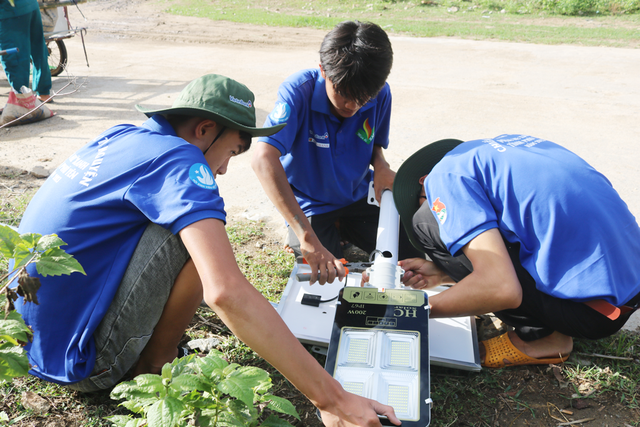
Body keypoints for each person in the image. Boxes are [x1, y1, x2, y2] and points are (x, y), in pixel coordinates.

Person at [13, 74, 400, 426]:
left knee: (187, 226)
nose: (224, 170)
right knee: (198, 236)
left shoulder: (122, 136)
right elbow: (225, 291)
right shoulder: (181, 160)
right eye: (232, 152)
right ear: (204, 129)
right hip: (86, 363)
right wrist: (333, 399)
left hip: (31, 346)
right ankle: (153, 365)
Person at [390, 135, 640, 368]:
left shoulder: (443, 179)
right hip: (625, 293)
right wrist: (444, 272)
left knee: (425, 221)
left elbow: (501, 288)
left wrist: (412, 311)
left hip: (589, 312)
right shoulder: (502, 152)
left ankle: (545, 338)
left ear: (424, 181)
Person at [253, 20, 418, 286]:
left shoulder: (380, 93)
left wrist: (381, 164)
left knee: (413, 254)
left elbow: (373, 141)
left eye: (363, 98)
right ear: (322, 70)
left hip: (356, 197)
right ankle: (299, 233)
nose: (353, 105)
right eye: (344, 93)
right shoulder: (298, 91)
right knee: (331, 277)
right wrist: (306, 236)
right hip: (310, 204)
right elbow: (263, 157)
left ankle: (341, 226)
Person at [0, 0, 53, 102]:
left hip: (11, 11)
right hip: (31, 5)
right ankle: (44, 93)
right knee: (38, 49)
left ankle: (23, 100)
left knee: (14, 54)